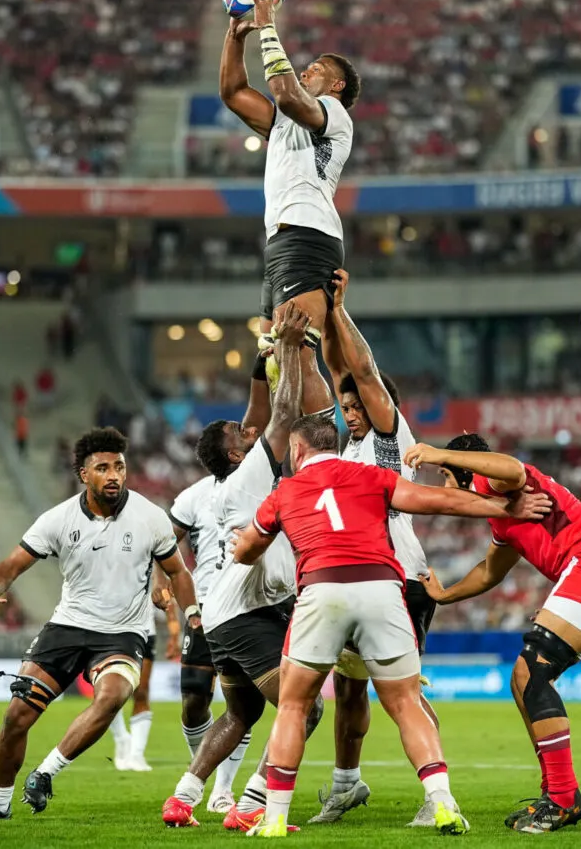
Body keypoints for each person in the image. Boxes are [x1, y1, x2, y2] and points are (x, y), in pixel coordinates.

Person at [231, 415, 552, 837]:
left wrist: (241, 543)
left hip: (322, 589)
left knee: (293, 705)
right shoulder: (372, 475)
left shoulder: (286, 490)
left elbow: (247, 551)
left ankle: (273, 819)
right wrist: (505, 507)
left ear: (297, 450)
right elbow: (437, 501)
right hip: (383, 588)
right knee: (404, 703)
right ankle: (442, 802)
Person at [0, 427, 200, 821]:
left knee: (113, 696)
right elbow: (12, 565)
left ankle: (45, 772)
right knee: (17, 715)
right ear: (84, 474)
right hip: (67, 628)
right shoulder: (58, 519)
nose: (114, 475)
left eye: (119, 466)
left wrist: (192, 615)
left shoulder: (150, 517)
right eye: (103, 468)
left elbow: (179, 572)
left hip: (123, 633)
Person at [408, 435, 581, 832]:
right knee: (522, 680)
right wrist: (445, 595)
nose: (448, 487)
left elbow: (513, 469)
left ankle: (564, 798)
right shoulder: (502, 515)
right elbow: (490, 571)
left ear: (467, 467)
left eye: (448, 476)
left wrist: (436, 453)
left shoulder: (493, 482)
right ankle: (558, 791)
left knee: (532, 671)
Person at [161, 306, 319, 831]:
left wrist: (269, 356)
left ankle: (183, 797)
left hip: (230, 609)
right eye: (238, 431)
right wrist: (292, 350)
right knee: (307, 708)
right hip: (248, 613)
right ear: (233, 453)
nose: (247, 430)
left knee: (242, 713)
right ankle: (251, 804)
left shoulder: (236, 484)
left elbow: (271, 414)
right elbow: (287, 414)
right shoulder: (251, 473)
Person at [310, 268, 437, 827]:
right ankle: (346, 785)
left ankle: (438, 793)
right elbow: (342, 371)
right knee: (349, 689)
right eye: (347, 405)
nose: (351, 408)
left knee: (399, 693)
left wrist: (338, 309)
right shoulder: (351, 446)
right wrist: (321, 338)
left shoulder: (390, 436)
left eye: (360, 402)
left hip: (400, 577)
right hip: (360, 577)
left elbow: (358, 369)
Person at [219, 0, 359, 418]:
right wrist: (233, 35)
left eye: (317, 68)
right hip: (282, 239)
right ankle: (283, 453)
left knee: (297, 350)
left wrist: (266, 27)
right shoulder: (285, 121)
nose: (306, 69)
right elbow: (233, 93)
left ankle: (323, 455)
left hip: (308, 233)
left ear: (335, 87)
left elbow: (285, 92)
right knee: (274, 357)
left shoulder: (334, 115)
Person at [168, 470, 251, 813]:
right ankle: (205, 766)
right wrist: (167, 578)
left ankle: (222, 789)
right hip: (203, 608)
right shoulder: (193, 495)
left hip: (246, 606)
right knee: (193, 699)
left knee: (241, 702)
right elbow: (165, 541)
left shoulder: (257, 485)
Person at [109, 575, 183, 772]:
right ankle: (122, 739)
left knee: (141, 692)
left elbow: (166, 596)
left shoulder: (150, 556)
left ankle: (136, 755)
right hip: (109, 629)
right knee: (110, 694)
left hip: (144, 631)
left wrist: (175, 633)